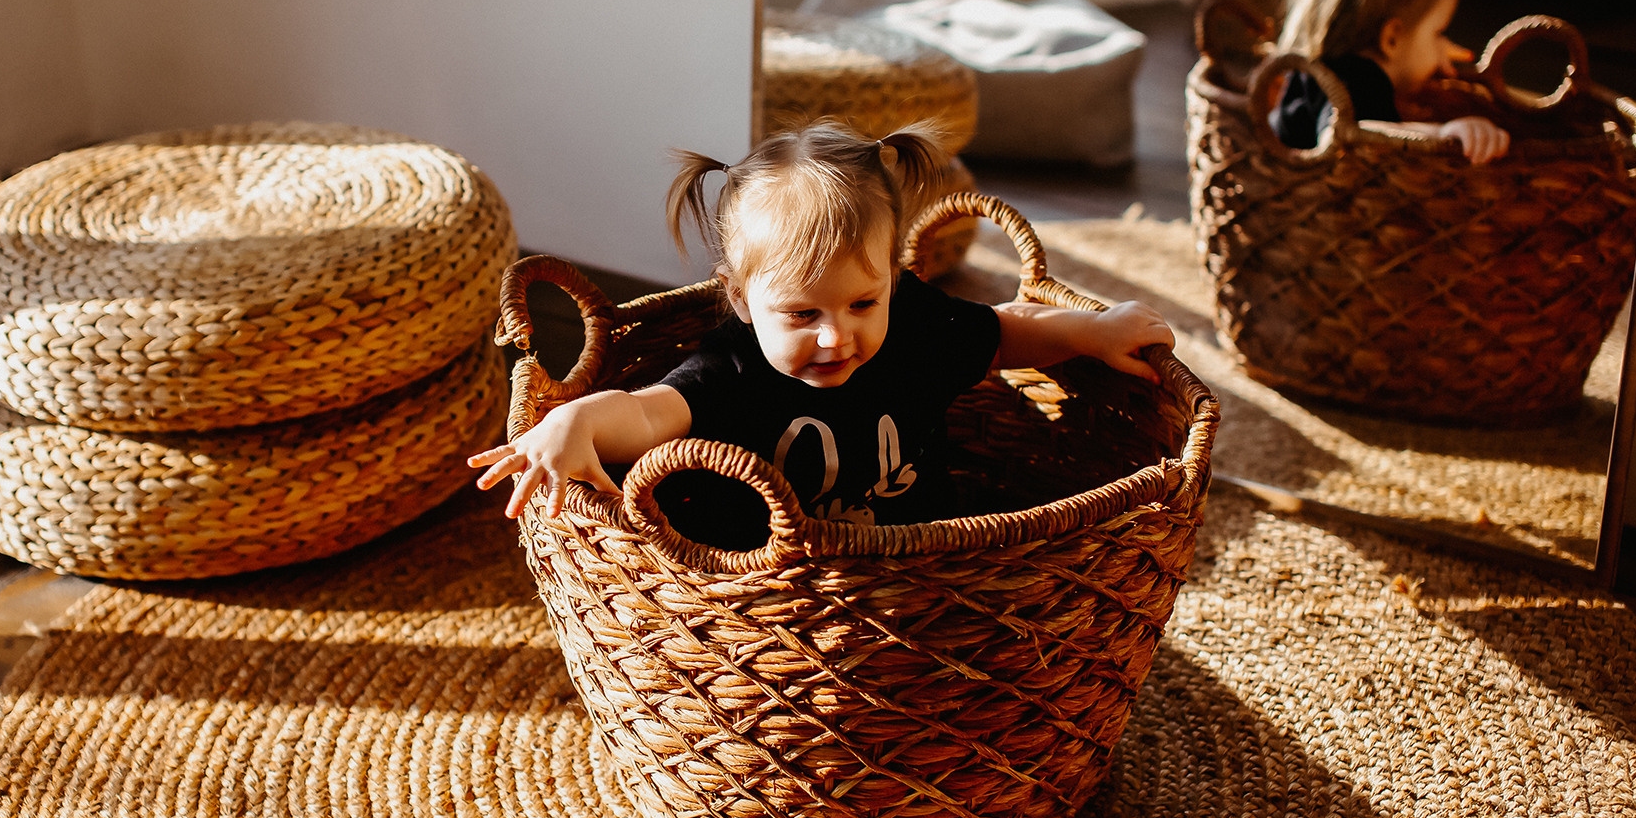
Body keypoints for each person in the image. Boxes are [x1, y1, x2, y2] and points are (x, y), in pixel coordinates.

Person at [467, 121, 1174, 539]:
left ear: (893, 280)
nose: (837, 337)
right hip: (770, 600)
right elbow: (648, 411)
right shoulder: (732, 370)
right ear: (741, 301)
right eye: (802, 315)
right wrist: (577, 423)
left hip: (924, 568)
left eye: (863, 304)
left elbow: (1007, 331)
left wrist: (1091, 332)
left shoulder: (918, 323)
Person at [1271, 0, 1511, 164]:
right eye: (1437, 32)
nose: (1443, 45)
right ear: (1392, 38)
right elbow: (1358, 134)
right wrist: (1440, 133)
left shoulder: (1319, 70)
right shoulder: (1364, 80)